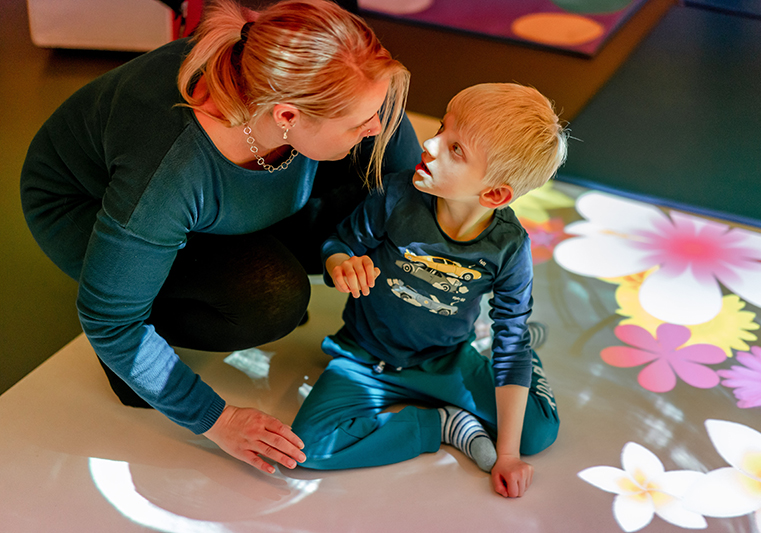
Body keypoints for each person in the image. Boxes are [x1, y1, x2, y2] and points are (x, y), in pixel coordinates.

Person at [19, 0, 422, 474]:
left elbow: (403, 174)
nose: (377, 126)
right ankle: (151, 331)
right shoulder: (171, 171)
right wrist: (219, 420)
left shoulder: (322, 82)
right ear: (288, 117)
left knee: (377, 197)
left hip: (227, 191)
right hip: (87, 207)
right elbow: (110, 322)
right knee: (270, 298)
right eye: (360, 122)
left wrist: (441, 255)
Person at [291, 83, 567, 498]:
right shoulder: (396, 195)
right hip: (366, 358)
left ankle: (506, 355)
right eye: (442, 128)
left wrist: (507, 455)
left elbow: (513, 338)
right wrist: (340, 264)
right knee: (307, 449)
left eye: (455, 149)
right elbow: (339, 243)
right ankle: (444, 425)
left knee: (537, 434)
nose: (430, 143)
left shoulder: (509, 247)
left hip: (446, 361)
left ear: (494, 194)